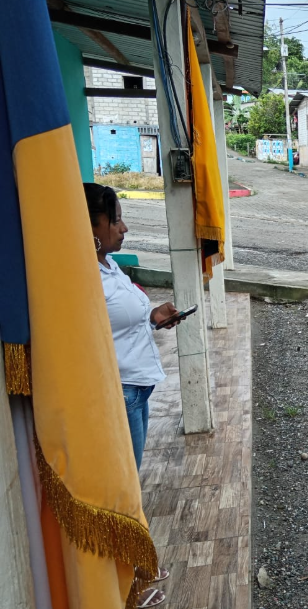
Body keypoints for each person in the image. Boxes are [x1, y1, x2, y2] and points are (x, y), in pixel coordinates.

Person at [86, 183, 180, 608]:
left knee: (131, 485)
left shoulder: (107, 266)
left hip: (136, 390)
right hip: (117, 393)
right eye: (115, 220)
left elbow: (121, 323)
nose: (123, 228)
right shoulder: (81, 277)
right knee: (121, 491)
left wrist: (154, 316)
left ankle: (135, 564)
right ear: (91, 227)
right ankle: (126, 586)